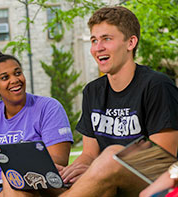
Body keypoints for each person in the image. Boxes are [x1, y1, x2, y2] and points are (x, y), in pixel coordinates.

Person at [56, 6, 178, 197]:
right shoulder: (93, 91)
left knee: (113, 154)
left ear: (130, 43)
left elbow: (161, 161)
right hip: (106, 176)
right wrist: (74, 170)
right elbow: (89, 153)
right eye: (94, 40)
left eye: (107, 39)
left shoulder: (157, 86)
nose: (98, 48)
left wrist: (107, 164)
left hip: (151, 182)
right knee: (33, 178)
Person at [0, 48, 73, 196]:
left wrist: (16, 172)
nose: (15, 80)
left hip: (41, 189)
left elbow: (59, 161)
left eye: (18, 73)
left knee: (11, 177)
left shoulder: (49, 108)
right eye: (5, 77)